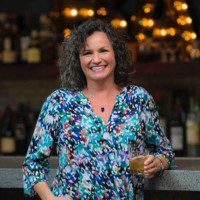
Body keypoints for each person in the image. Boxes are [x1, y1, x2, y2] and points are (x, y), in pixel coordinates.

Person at [23, 19, 174, 200]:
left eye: (103, 50)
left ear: (116, 54)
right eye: (87, 53)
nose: (96, 59)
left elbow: (165, 152)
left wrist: (157, 163)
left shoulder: (138, 99)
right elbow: (33, 164)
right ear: (78, 60)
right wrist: (51, 199)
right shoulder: (59, 102)